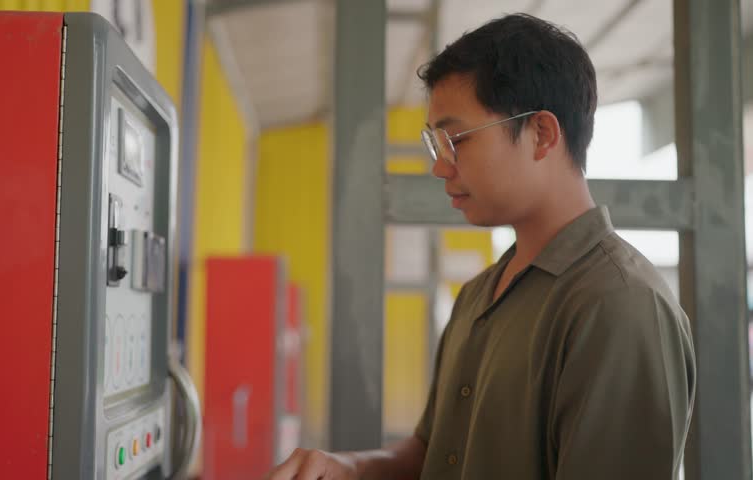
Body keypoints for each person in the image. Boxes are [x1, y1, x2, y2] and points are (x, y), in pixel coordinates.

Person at [263, 13, 695, 480]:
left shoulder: (619, 305)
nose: (440, 167)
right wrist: (345, 468)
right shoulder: (476, 297)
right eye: (435, 144)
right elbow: (436, 452)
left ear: (542, 134)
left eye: (456, 140)